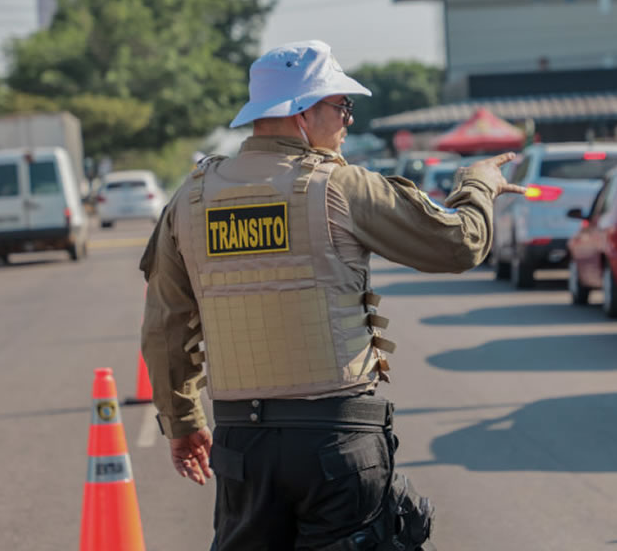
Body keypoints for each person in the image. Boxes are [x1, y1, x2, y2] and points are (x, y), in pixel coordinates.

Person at [140, 40, 525, 551]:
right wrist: (478, 186)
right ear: (302, 112)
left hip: (242, 447)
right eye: (341, 106)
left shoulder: (189, 200)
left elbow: (165, 324)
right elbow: (459, 245)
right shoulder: (342, 187)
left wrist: (183, 422)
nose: (347, 120)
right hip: (337, 445)